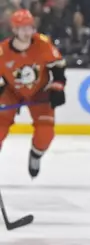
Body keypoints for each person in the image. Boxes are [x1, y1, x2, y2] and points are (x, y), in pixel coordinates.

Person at [0, 9, 66, 178]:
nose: (27, 32)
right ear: (14, 30)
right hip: (11, 92)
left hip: (39, 92)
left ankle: (36, 155)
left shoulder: (43, 43)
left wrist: (58, 88)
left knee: (45, 134)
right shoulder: (2, 51)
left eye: (30, 27)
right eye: (23, 28)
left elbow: (58, 69)